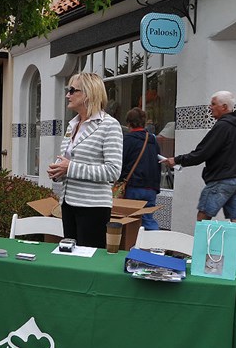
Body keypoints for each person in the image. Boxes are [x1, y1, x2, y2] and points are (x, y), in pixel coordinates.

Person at [163, 91, 236, 280]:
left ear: (224, 107)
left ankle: (198, 258)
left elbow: (203, 152)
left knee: (204, 216)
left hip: (222, 180)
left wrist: (176, 160)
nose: (210, 107)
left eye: (213, 103)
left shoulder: (222, 126)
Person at [47, 72, 123, 248]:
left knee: (89, 260)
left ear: (88, 94)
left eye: (72, 90)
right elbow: (67, 162)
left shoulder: (109, 125)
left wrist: (70, 168)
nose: (68, 95)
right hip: (68, 203)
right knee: (70, 259)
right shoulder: (72, 124)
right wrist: (58, 172)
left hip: (93, 207)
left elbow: (113, 171)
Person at [119, 107, 161, 230]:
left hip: (133, 186)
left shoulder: (127, 140)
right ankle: (155, 245)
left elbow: (121, 163)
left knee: (130, 222)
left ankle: (132, 247)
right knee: (148, 219)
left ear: (128, 123)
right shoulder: (153, 139)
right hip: (151, 187)